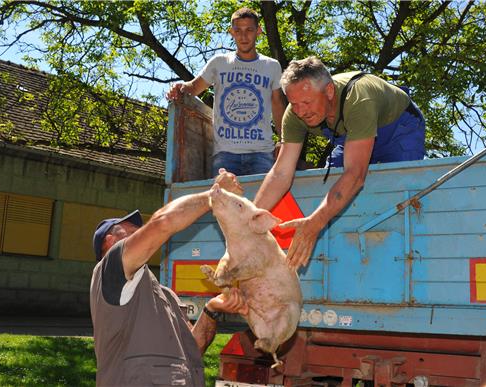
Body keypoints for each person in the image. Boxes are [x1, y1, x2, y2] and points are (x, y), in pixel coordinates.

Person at [254, 56, 425, 271]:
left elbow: (355, 174)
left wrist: (313, 224)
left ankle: (401, 262)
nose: (300, 111)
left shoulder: (359, 98)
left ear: (329, 91)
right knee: (333, 191)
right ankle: (346, 261)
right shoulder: (295, 113)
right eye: (294, 104)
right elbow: (280, 173)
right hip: (351, 135)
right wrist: (250, 219)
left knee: (398, 197)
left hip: (399, 130)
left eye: (306, 103)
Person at [90, 170, 247, 386]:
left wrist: (212, 310)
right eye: (131, 231)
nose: (139, 232)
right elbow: (163, 223)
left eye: (140, 229)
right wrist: (215, 195)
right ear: (109, 242)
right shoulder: (109, 272)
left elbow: (194, 349)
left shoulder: (165, 295)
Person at [166, 7, 286, 176]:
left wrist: (283, 141)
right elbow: (193, 88)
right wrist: (178, 88)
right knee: (222, 201)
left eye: (249, 30)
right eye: (238, 30)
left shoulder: (271, 65)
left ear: (258, 31)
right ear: (231, 32)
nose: (243, 36)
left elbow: (278, 104)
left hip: (262, 153)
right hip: (225, 154)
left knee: (261, 203)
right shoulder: (219, 62)